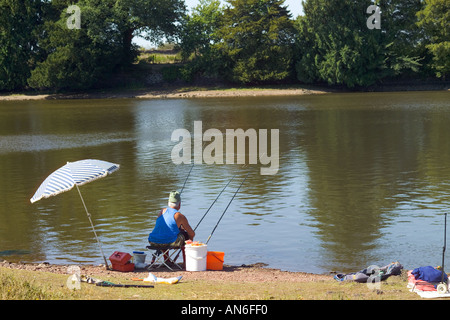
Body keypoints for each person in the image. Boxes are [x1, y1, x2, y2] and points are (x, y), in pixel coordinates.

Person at [148, 190, 195, 267]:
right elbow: (192, 233)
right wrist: (191, 239)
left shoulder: (162, 211)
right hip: (168, 243)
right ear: (179, 204)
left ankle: (167, 260)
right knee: (186, 235)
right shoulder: (179, 216)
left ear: (168, 203)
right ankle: (186, 262)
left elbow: (165, 227)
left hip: (153, 241)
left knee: (164, 234)